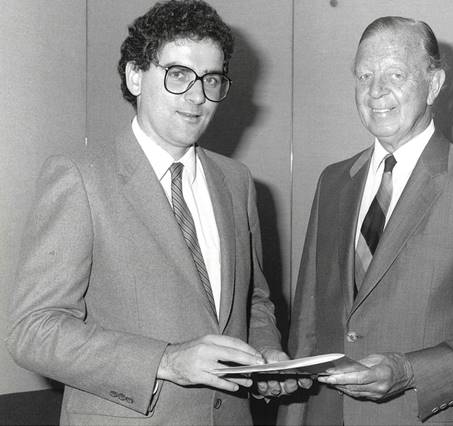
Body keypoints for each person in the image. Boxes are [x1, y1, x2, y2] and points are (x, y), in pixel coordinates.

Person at [6, 1, 302, 424]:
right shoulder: (80, 178)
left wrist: (265, 352)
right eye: (179, 75)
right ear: (135, 75)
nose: (198, 96)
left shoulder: (237, 182)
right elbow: (33, 331)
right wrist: (167, 360)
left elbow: (254, 301)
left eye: (212, 79)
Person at [278, 16, 453, 426]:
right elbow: (306, 331)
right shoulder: (333, 181)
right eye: (364, 75)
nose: (376, 90)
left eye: (395, 74)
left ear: (434, 84)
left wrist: (407, 370)